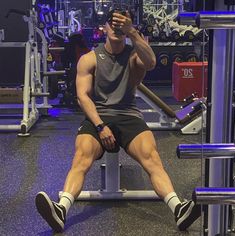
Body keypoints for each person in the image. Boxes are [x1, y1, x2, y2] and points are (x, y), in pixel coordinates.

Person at [35, 9, 201, 233]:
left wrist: (131, 31)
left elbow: (151, 63)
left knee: (151, 157)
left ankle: (178, 209)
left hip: (129, 115)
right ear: (104, 27)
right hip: (98, 117)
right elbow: (82, 97)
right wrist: (100, 126)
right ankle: (61, 209)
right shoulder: (90, 58)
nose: (116, 27)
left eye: (121, 24)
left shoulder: (134, 55)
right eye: (112, 23)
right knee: (81, 156)